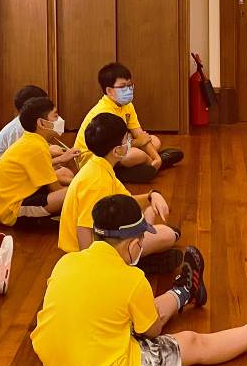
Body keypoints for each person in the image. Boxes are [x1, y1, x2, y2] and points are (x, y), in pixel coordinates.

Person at [31, 194, 247, 366]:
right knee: (192, 342)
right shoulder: (131, 279)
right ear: (133, 243)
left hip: (54, 361)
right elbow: (151, 330)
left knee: (139, 309)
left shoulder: (67, 262)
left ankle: (185, 290)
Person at [58, 113, 182, 273]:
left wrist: (152, 196)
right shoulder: (97, 181)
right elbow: (84, 229)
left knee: (149, 212)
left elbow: (127, 201)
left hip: (104, 236)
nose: (130, 143)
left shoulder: (100, 166)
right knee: (168, 235)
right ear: (117, 151)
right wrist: (92, 269)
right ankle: (134, 262)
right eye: (127, 140)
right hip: (86, 251)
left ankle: (137, 258)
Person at [75, 62, 183, 183]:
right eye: (122, 87)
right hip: (93, 158)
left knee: (155, 141)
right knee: (135, 155)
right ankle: (140, 169)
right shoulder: (103, 112)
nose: (128, 90)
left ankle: (150, 165)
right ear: (109, 91)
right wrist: (145, 152)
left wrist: (157, 158)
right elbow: (111, 146)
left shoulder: (127, 106)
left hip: (117, 149)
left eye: (130, 85)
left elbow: (140, 134)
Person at [0, 96, 68, 228]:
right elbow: (56, 188)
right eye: (55, 116)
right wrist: (81, 185)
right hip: (11, 210)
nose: (59, 120)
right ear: (41, 123)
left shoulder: (32, 139)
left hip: (20, 194)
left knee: (65, 174)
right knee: (71, 193)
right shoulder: (36, 147)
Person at [0, 85, 80, 187]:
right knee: (61, 173)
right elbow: (27, 165)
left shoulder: (31, 128)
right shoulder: (19, 130)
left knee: (59, 160)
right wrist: (61, 160)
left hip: (16, 172)